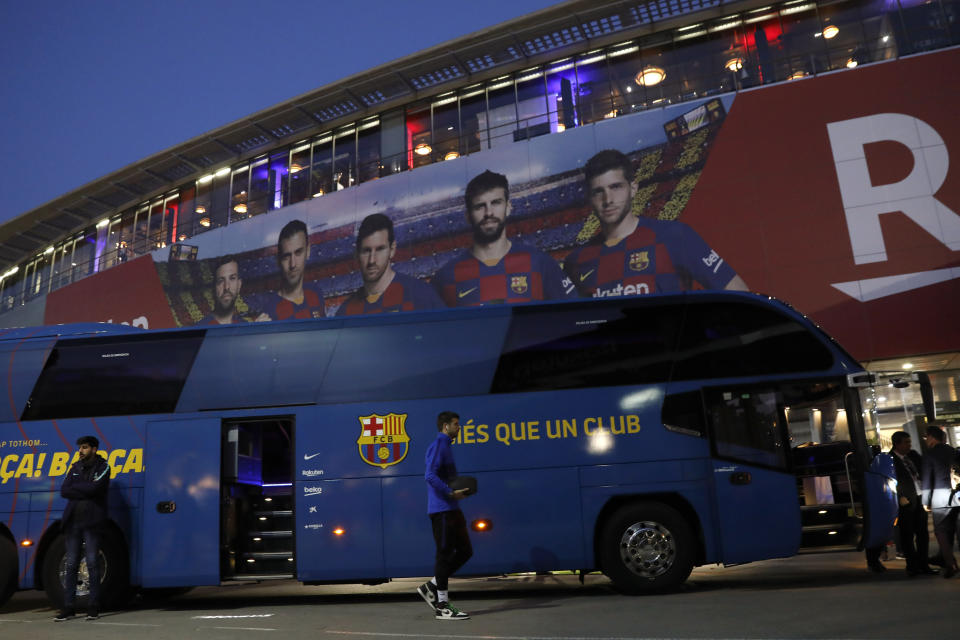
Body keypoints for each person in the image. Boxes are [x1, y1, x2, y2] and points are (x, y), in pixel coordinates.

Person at [562, 149, 749, 297]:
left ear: (633, 189)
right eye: (598, 191)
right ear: (589, 198)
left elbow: (738, 292)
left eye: (616, 187)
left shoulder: (675, 237)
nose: (608, 199)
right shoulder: (576, 261)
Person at [432, 170, 576, 306]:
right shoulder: (445, 277)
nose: (489, 212)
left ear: (508, 208)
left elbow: (573, 316)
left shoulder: (540, 263)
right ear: (468, 216)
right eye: (479, 206)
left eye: (496, 203)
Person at [418, 411, 472, 620]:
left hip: (452, 508)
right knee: (444, 555)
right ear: (445, 426)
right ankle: (442, 605)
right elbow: (429, 475)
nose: (460, 427)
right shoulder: (439, 445)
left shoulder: (446, 446)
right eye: (456, 424)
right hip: (442, 510)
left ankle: (431, 585)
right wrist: (450, 492)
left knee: (466, 551)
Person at [336, 213, 444, 315]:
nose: (372, 260)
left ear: (392, 250)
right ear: (357, 254)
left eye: (379, 249)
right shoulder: (345, 311)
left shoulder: (420, 295)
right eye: (366, 251)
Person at [55, 436, 110, 621]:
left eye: (85, 447)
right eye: (80, 447)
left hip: (92, 523)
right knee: (71, 565)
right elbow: (64, 490)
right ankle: (68, 607)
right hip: (73, 523)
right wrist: (84, 488)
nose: (81, 451)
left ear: (94, 449)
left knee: (93, 564)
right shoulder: (75, 467)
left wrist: (77, 488)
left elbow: (96, 489)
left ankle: (93, 606)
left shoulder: (104, 467)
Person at [890, 431, 938, 575]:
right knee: (907, 534)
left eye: (910, 442)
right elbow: (888, 481)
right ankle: (912, 565)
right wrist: (899, 496)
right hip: (905, 500)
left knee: (922, 533)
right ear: (896, 444)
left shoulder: (913, 455)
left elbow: (924, 469)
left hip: (918, 497)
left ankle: (924, 564)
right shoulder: (890, 459)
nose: (909, 445)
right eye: (906, 442)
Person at [921, 425, 960, 579]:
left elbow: (927, 479)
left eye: (926, 437)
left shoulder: (929, 455)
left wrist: (926, 500)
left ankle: (951, 565)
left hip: (940, 497)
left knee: (942, 532)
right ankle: (947, 560)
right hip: (957, 495)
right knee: (954, 530)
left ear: (931, 437)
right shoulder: (953, 451)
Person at [270, 219, 326, 320]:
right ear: (279, 260)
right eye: (286, 256)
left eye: (298, 252)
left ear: (308, 251)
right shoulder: (271, 310)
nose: (293, 264)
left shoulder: (316, 293)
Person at [199, 255, 269, 324]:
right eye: (221, 280)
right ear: (214, 287)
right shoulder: (200, 328)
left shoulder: (244, 325)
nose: (226, 287)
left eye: (232, 278)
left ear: (239, 285)